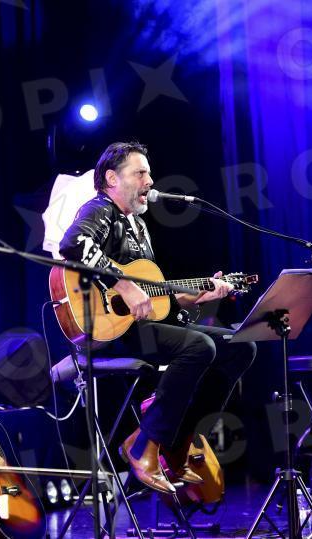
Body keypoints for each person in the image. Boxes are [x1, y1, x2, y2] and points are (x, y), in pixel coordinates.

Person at [59, 141, 257, 494]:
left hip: (140, 327)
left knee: (240, 345)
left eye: (148, 173)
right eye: (140, 173)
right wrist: (123, 284)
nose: (150, 181)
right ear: (112, 178)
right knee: (199, 346)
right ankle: (144, 445)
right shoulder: (100, 209)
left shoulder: (138, 225)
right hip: (107, 331)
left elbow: (152, 298)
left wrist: (195, 297)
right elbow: (74, 243)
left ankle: (178, 441)